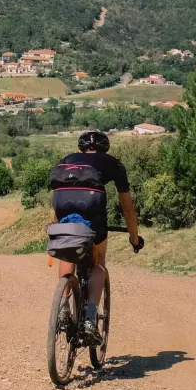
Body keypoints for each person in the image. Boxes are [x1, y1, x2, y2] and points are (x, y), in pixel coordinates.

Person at [51, 130, 143, 341]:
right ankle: (90, 319)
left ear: (79, 149)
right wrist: (134, 238)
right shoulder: (113, 163)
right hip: (93, 204)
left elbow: (59, 195)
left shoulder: (67, 160)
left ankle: (63, 307)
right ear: (105, 149)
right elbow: (127, 208)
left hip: (62, 203)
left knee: (68, 253)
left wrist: (58, 226)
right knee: (99, 261)